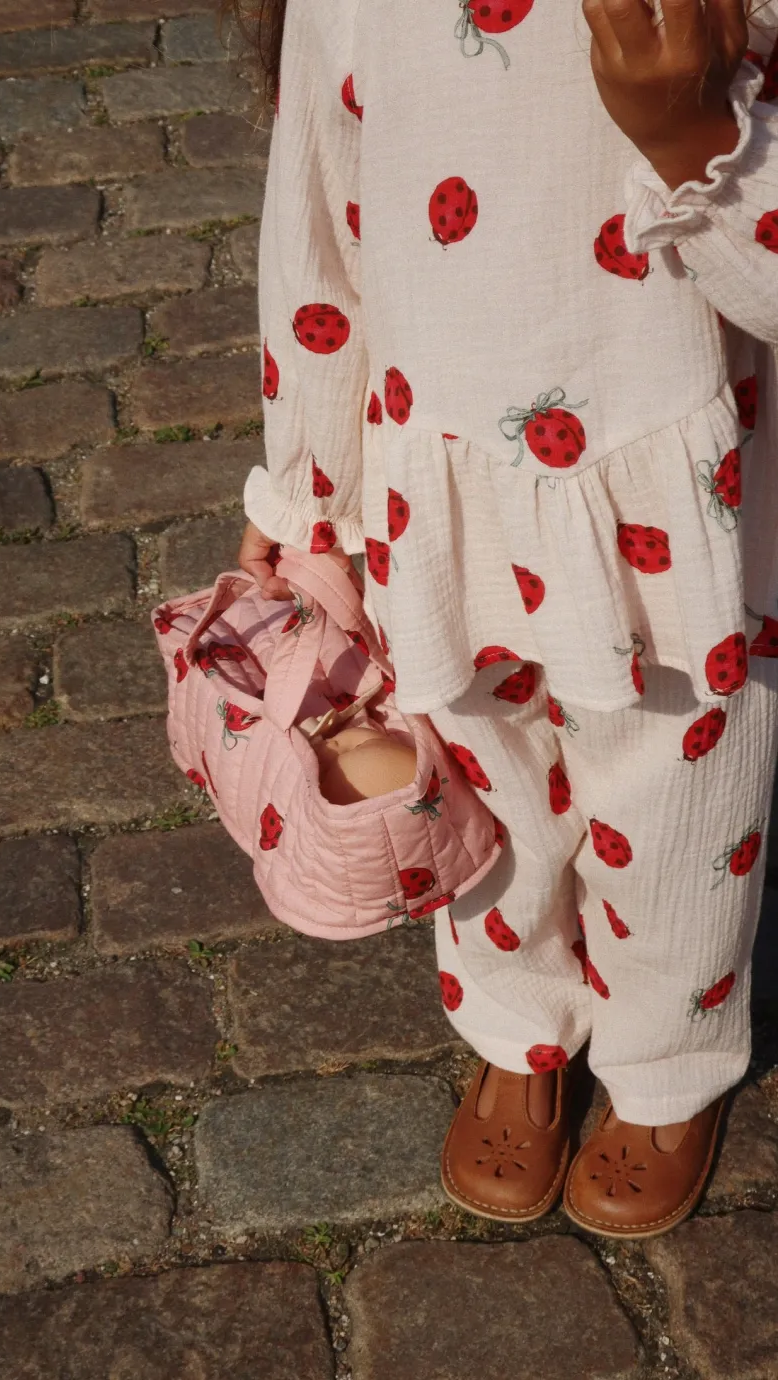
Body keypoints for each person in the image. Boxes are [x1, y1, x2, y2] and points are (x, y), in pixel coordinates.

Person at [232, 0, 778, 1239]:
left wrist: (694, 137)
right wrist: (307, 491)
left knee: (684, 798)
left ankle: (664, 1058)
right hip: (441, 473)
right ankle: (516, 1016)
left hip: (679, 470)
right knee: (481, 775)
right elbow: (314, 216)